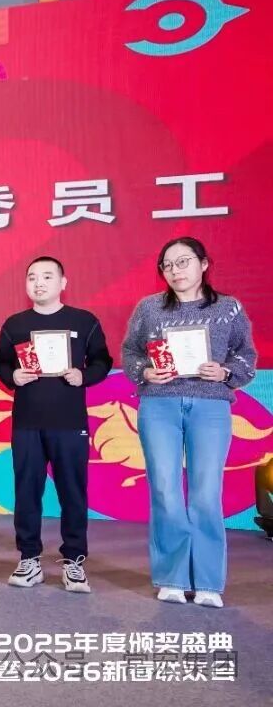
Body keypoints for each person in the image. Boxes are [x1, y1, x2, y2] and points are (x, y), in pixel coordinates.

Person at [122, 237, 256, 608]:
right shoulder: (149, 308)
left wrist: (225, 371)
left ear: (203, 263)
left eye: (183, 261)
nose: (175, 270)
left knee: (205, 492)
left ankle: (209, 582)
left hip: (210, 405)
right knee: (165, 488)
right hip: (159, 405)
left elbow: (246, 355)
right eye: (167, 265)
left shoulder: (228, 308)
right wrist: (145, 372)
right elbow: (131, 352)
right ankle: (172, 578)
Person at [0, 257, 112, 592]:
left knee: (73, 491)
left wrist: (84, 376)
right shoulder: (15, 324)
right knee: (26, 492)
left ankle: (74, 560)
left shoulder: (83, 321)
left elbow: (103, 360)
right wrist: (13, 376)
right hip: (27, 422)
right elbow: (0, 363)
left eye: (47, 276)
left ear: (63, 282)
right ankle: (29, 558)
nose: (39, 283)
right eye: (32, 277)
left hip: (69, 422)